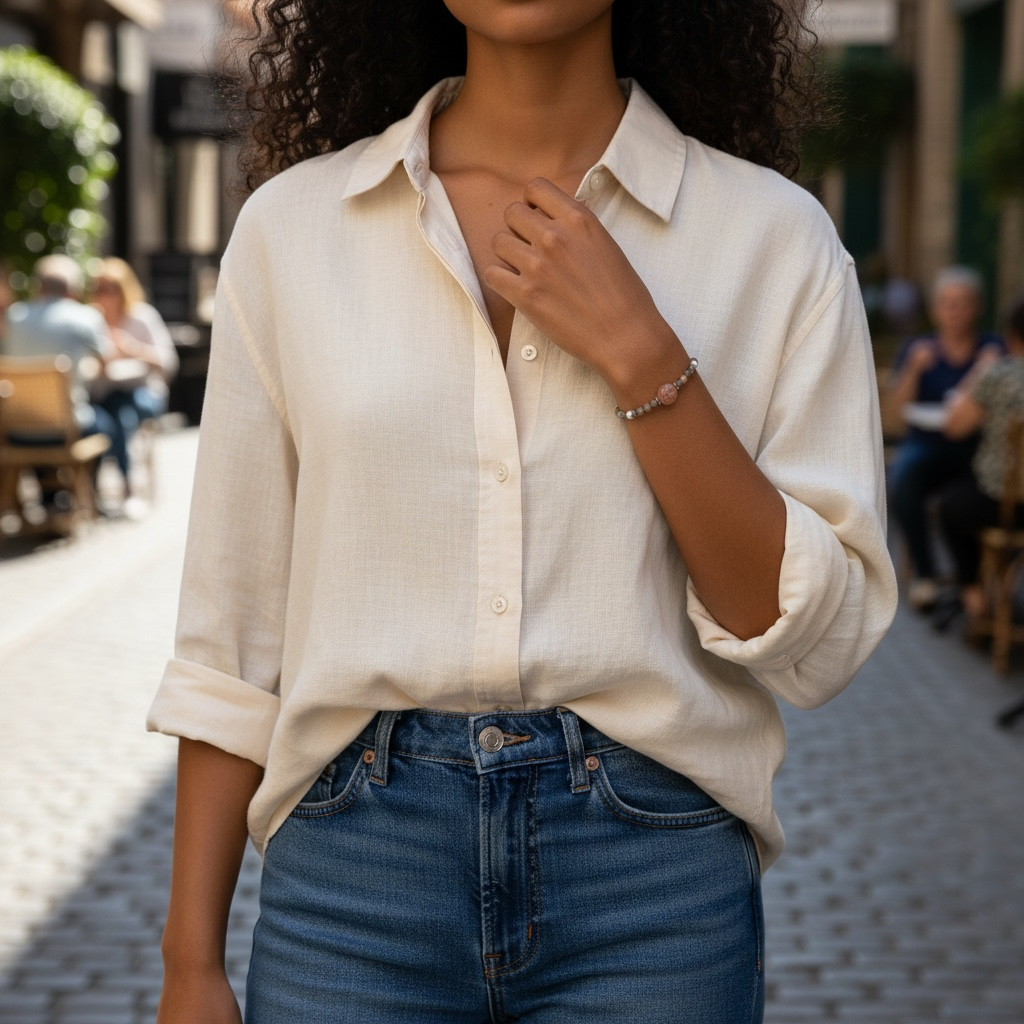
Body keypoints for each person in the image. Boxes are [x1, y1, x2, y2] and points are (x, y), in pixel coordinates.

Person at [148, 3, 897, 1022]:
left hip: (653, 885)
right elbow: (231, 636)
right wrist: (190, 964)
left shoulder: (771, 240)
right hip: (351, 883)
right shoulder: (294, 230)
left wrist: (643, 354)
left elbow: (810, 637)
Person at [885, 266, 1004, 610]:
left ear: (977, 307)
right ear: (935, 310)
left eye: (963, 304)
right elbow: (895, 413)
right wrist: (913, 369)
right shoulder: (917, 349)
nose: (955, 312)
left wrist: (988, 367)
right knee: (903, 479)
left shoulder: (993, 348)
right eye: (948, 304)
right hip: (927, 443)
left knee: (986, 494)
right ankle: (926, 574)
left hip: (977, 447)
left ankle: (979, 579)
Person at [2, 254, 119, 514]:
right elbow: (106, 363)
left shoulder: (13, 318)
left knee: (37, 419)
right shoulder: (85, 317)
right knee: (105, 425)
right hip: (65, 429)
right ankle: (89, 495)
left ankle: (49, 496)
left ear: (37, 287)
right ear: (73, 289)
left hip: (16, 429)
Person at [935, 299, 1024, 629]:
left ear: (1012, 336)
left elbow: (955, 425)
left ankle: (974, 595)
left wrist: (979, 371)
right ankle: (1001, 584)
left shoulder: (1000, 374)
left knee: (950, 507)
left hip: (1003, 504)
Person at [89, 258, 178, 495]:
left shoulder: (142, 316)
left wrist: (132, 349)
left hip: (144, 392)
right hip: (106, 392)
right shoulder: (92, 322)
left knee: (122, 413)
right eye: (99, 288)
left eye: (111, 288)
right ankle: (117, 486)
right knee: (103, 418)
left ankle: (127, 483)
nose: (104, 295)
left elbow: (168, 362)